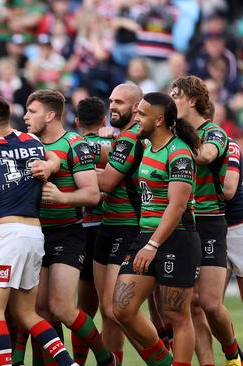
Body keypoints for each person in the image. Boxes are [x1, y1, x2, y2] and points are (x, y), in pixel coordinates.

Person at [0, 96, 77, 366]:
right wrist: (52, 165)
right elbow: (55, 158)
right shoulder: (33, 143)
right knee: (26, 312)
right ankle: (69, 363)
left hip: (5, 235)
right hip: (34, 234)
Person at [23, 89, 114, 366]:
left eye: (32, 112)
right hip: (36, 233)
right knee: (40, 310)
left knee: (61, 307)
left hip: (67, 231)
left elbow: (92, 194)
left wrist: (63, 197)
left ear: (50, 115)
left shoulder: (75, 145)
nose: (26, 117)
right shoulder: (27, 143)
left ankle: (105, 358)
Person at [113, 91, 202, 366]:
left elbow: (177, 206)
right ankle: (163, 361)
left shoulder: (179, 153)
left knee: (176, 315)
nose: (136, 119)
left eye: (141, 114)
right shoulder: (148, 148)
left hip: (177, 238)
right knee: (121, 308)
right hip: (146, 234)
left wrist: (152, 246)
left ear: (159, 119)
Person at [170, 76, 242, 365]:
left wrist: (175, 147)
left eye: (176, 95)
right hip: (184, 220)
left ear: (192, 100)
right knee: (192, 305)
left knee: (211, 303)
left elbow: (206, 155)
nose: (172, 99)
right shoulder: (170, 133)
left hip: (211, 220)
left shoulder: (214, 132)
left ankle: (232, 353)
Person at [94, 83, 144, 362]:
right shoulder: (121, 138)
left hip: (130, 226)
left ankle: (160, 357)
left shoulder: (130, 138)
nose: (112, 106)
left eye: (120, 102)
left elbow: (107, 182)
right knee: (107, 310)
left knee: (117, 309)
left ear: (136, 107)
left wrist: (67, 162)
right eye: (111, 101)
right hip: (108, 225)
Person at [73, 96, 112, 365]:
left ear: (77, 122)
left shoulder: (71, 146)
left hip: (80, 230)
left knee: (83, 308)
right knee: (111, 310)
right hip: (111, 227)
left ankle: (79, 360)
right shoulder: (116, 144)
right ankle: (113, 359)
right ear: (103, 121)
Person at [224, 136, 243, 303]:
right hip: (211, 227)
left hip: (238, 227)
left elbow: (229, 190)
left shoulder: (228, 144)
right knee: (204, 302)